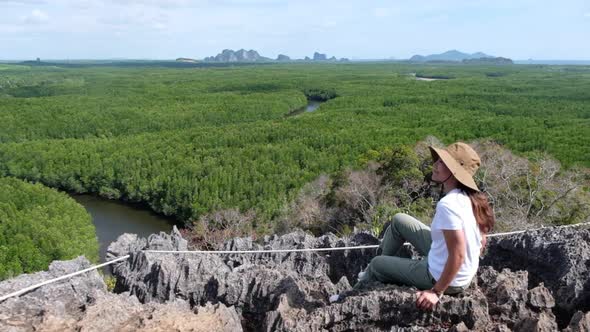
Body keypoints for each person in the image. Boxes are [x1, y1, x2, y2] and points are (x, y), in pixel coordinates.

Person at [331, 142, 495, 310]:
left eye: (442, 162)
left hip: (441, 277)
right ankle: (371, 275)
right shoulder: (468, 198)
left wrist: (436, 292)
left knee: (376, 263)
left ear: (454, 173)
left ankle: (348, 297)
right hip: (457, 271)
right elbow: (480, 239)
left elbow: (458, 254)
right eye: (438, 160)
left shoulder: (449, 205)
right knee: (399, 220)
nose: (436, 164)